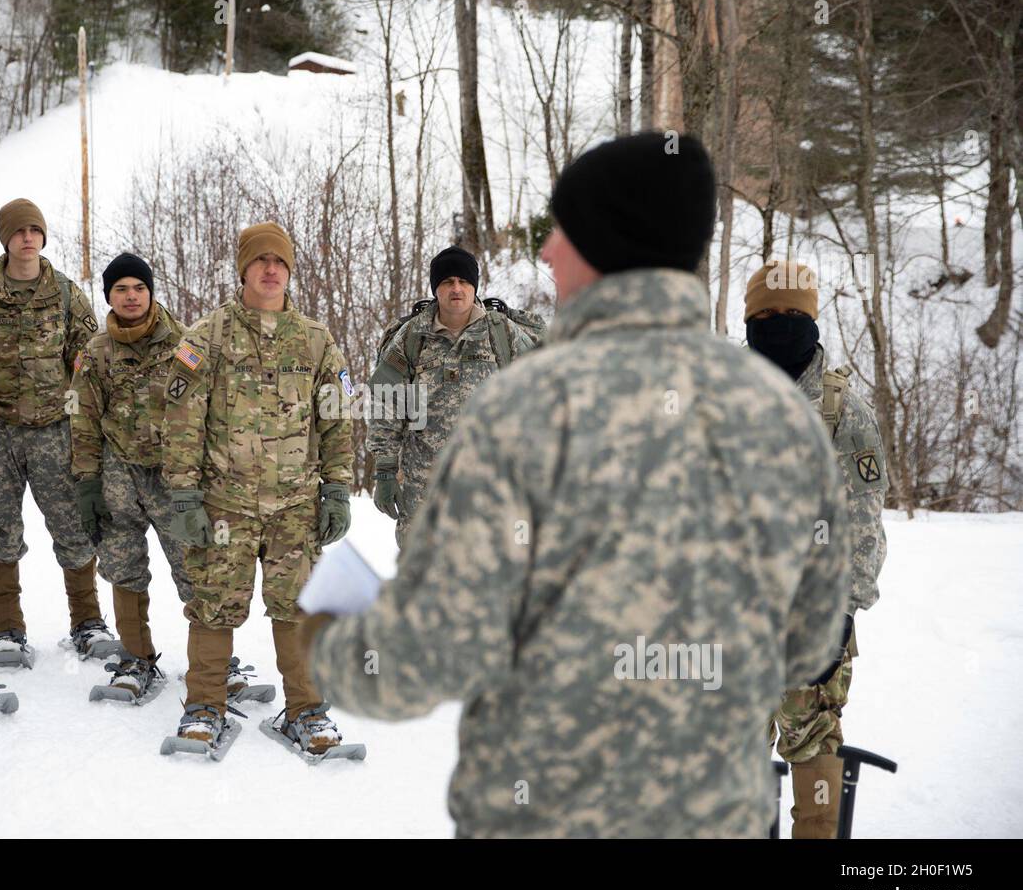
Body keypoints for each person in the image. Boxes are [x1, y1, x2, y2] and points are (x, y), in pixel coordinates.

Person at [303, 132, 851, 836]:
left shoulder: (525, 406)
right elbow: (811, 644)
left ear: (604, 244)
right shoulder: (782, 412)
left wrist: (331, 639)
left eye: (563, 231)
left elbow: (425, 655)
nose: (546, 251)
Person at [163, 221, 354, 754]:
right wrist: (183, 493)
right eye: (260, 261)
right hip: (226, 502)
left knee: (296, 605)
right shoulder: (208, 336)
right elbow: (181, 419)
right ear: (243, 269)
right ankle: (204, 705)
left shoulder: (316, 341)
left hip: (295, 503)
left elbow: (337, 420)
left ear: (289, 271)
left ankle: (307, 711)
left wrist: (337, 488)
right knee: (214, 604)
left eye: (280, 262)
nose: (271, 270)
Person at [746, 260, 889, 838]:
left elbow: (863, 525)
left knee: (812, 743)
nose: (780, 327)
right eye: (767, 316)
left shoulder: (842, 410)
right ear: (749, 322)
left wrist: (843, 612)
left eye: (794, 315)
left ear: (813, 320)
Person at [0, 199, 111, 664]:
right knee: (0, 528)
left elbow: (86, 365)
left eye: (34, 230)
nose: (27, 238)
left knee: (73, 525)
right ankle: (7, 630)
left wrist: (88, 430)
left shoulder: (65, 294)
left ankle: (88, 622)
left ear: (43, 237)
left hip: (53, 431)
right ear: (6, 239)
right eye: (19, 231)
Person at [70, 253, 191, 697]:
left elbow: (206, 409)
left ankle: (214, 664)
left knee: (194, 567)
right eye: (121, 289)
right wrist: (86, 484)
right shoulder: (95, 351)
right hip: (118, 471)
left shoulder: (184, 343)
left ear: (151, 292)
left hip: (174, 473)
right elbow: (81, 419)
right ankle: (136, 658)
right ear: (109, 297)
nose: (131, 296)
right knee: (123, 565)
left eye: (138, 288)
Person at [367, 245, 535, 546]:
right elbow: (386, 401)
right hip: (423, 486)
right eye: (447, 282)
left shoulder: (502, 333)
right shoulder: (412, 337)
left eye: (463, 281)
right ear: (436, 289)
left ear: (474, 287)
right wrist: (385, 469)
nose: (456, 288)